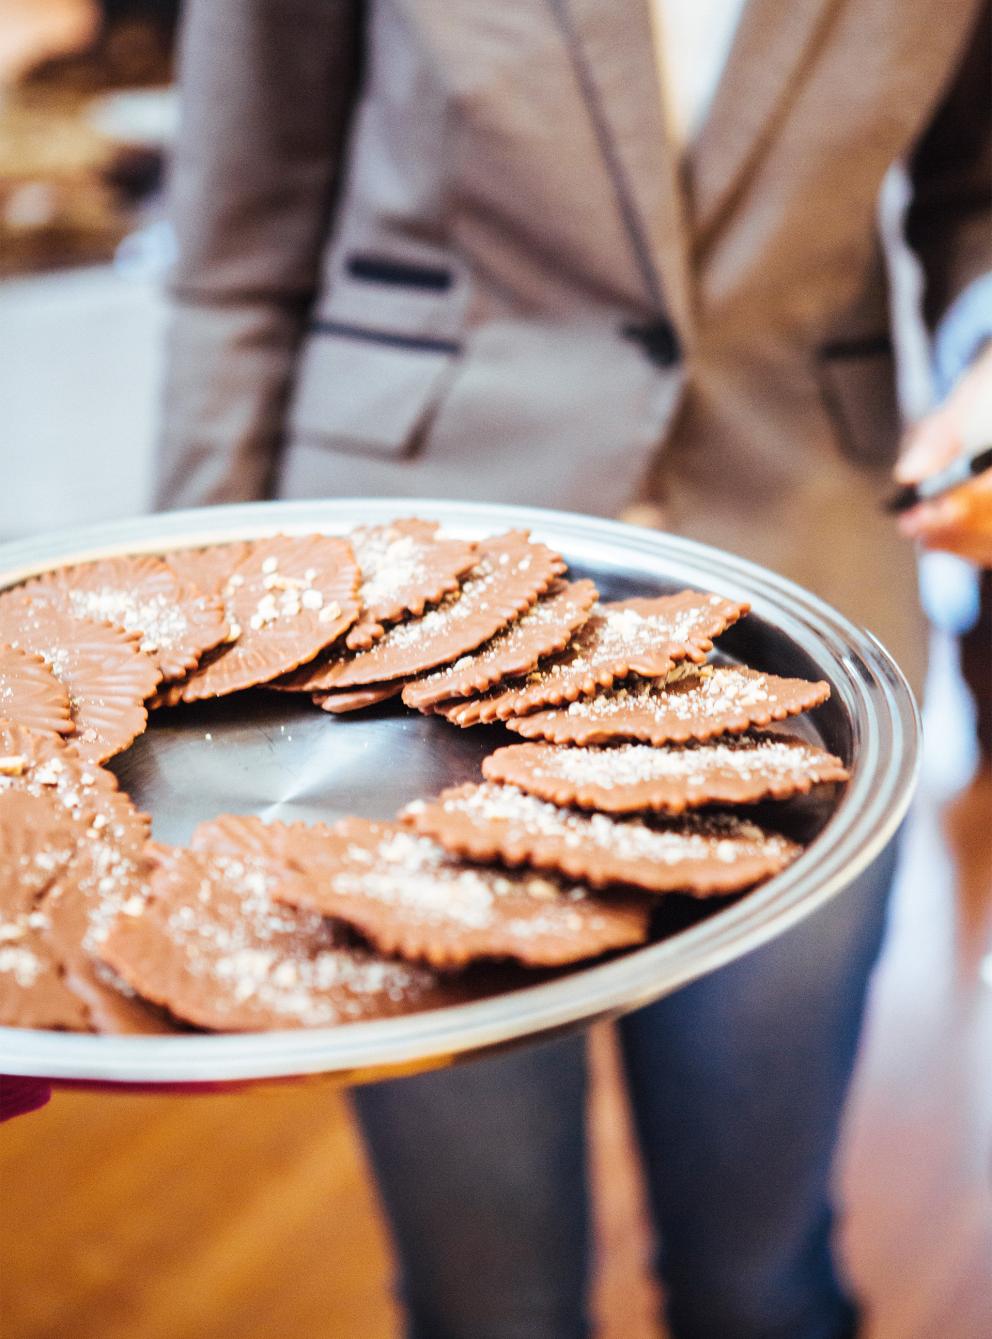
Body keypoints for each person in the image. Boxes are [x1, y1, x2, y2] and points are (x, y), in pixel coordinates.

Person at [155, 3, 992, 1336]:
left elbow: (975, 197)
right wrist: (193, 670)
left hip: (809, 601)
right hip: (393, 631)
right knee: (489, 1297)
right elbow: (238, 258)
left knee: (764, 1280)